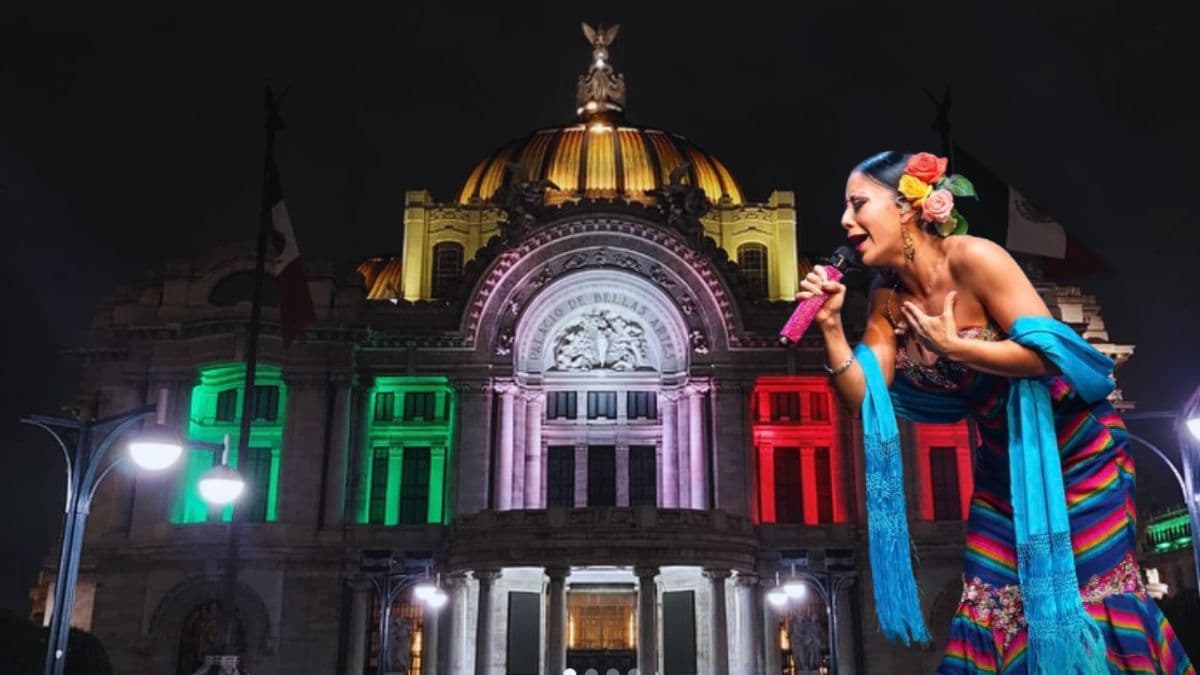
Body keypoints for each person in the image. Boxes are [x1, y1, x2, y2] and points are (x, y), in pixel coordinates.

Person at [798, 151, 1193, 674]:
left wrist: (958, 348)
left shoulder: (975, 258)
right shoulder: (885, 298)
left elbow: (1048, 355)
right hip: (1003, 466)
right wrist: (829, 326)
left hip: (1076, 455)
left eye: (858, 204)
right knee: (989, 607)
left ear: (908, 207)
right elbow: (864, 397)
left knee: (1085, 604)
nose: (846, 221)